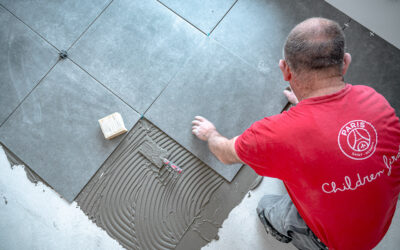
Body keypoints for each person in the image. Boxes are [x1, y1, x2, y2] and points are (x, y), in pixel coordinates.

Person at [191, 17, 400, 250]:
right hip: (378, 225)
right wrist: (304, 102)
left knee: (266, 207)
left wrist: (210, 134)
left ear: (285, 71)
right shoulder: (376, 101)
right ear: (346, 63)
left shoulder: (274, 135)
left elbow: (226, 154)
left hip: (340, 244)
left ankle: (298, 236)